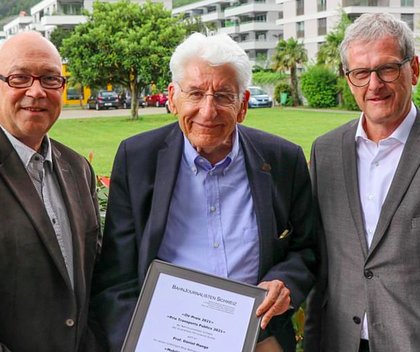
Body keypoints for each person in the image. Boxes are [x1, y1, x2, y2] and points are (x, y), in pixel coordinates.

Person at [90, 33, 316, 352]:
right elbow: (117, 279)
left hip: (257, 340)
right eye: (195, 93)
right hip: (166, 342)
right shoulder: (137, 159)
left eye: (223, 96)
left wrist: (286, 283)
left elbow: (306, 249)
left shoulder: (282, 160)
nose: (207, 112)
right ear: (173, 97)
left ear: (243, 105)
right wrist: (137, 344)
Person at [304, 13, 420, 352]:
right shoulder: (325, 153)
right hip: (342, 342)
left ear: (413, 70)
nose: (374, 84)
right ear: (348, 79)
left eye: (387, 68)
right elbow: (321, 266)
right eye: (361, 73)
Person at [0, 32, 103, 352]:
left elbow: (93, 286)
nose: (37, 91)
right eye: (20, 77)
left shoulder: (77, 168)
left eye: (51, 79)